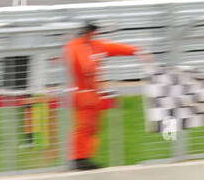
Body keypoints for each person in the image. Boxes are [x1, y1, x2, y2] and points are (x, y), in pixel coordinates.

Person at [62, 21, 151, 171]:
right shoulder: (75, 46)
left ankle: (85, 157)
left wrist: (136, 50)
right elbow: (85, 67)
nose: (95, 35)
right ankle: (77, 158)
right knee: (83, 127)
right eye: (92, 32)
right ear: (87, 32)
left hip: (93, 93)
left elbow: (114, 48)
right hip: (82, 93)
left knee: (92, 128)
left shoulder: (95, 45)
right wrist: (94, 66)